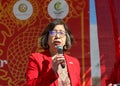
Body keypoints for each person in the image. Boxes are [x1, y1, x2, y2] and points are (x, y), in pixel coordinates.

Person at [25, 19, 81, 86]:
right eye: (53, 33)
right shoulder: (36, 59)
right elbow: (30, 84)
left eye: (61, 33)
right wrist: (52, 71)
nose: (57, 36)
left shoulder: (74, 62)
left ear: (67, 39)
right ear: (47, 38)